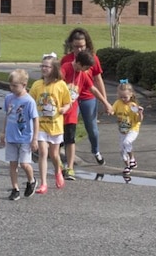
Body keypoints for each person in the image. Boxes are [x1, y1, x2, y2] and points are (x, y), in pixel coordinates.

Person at [60, 29, 111, 169]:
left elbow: (97, 81)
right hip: (71, 99)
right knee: (70, 126)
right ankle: (64, 152)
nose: (79, 49)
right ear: (71, 45)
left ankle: (96, 151)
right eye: (76, 46)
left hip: (88, 97)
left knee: (92, 128)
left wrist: (105, 101)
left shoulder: (92, 58)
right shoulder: (66, 61)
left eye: (82, 46)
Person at [30, 55, 74, 194]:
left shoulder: (60, 85)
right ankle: (43, 183)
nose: (44, 68)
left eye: (47, 66)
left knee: (54, 155)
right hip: (41, 125)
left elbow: (68, 102)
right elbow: (30, 102)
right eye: (42, 66)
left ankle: (57, 171)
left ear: (54, 68)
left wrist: (64, 109)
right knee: (43, 152)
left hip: (55, 125)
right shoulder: (37, 85)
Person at [0, 68, 39, 201]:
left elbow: (35, 119)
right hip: (11, 136)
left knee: (24, 164)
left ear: (24, 85)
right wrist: (3, 132)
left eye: (15, 86)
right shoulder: (9, 98)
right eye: (10, 85)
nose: (12, 88)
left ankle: (31, 180)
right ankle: (15, 189)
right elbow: (7, 115)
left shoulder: (29, 101)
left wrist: (35, 139)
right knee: (13, 164)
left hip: (25, 138)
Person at [112, 81, 146, 175]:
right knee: (122, 150)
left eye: (125, 97)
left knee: (127, 142)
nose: (123, 99)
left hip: (133, 129)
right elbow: (112, 110)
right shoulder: (118, 103)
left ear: (131, 95)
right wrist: (109, 110)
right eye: (121, 97)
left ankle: (132, 159)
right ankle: (127, 166)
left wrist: (140, 113)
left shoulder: (133, 106)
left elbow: (139, 120)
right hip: (122, 130)